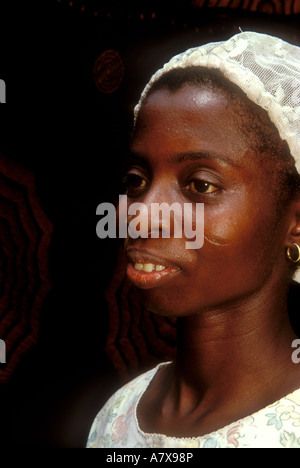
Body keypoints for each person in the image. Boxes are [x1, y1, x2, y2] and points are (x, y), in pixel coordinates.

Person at [87, 31, 300, 448]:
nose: (140, 213)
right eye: (136, 180)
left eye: (200, 186)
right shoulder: (116, 417)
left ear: (296, 222)